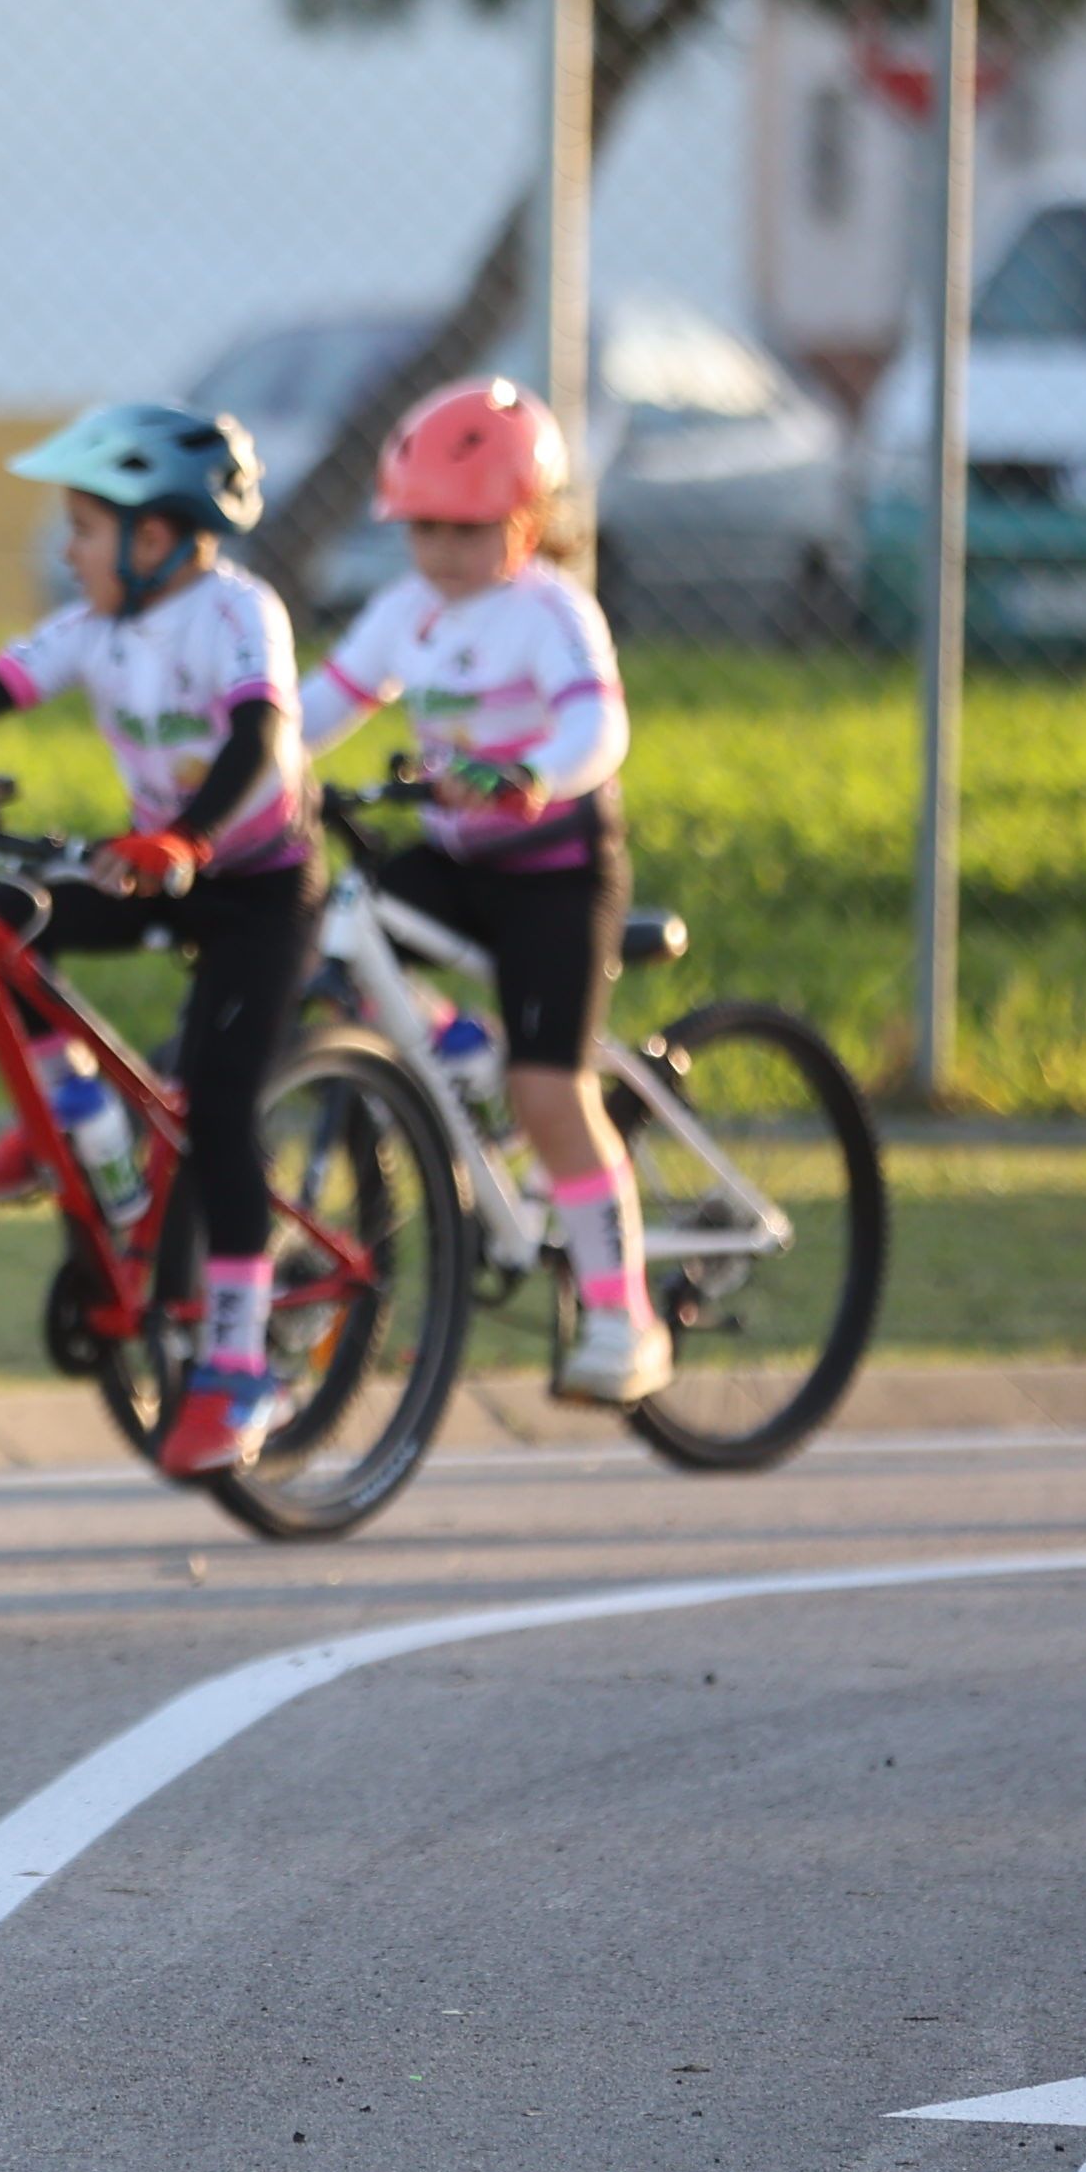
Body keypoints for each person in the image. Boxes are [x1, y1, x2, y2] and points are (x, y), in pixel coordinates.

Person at [298, 378, 657, 1403]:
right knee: (329, 935)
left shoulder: (553, 612)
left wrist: (532, 774)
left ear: (528, 522)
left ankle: (621, 1317)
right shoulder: (406, 611)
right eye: (423, 530)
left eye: (469, 530)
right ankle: (458, 1049)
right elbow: (324, 704)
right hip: (457, 861)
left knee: (552, 1094)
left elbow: (601, 732)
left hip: (556, 872)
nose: (444, 554)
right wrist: (254, 764)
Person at [0, 404, 315, 1479]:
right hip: (156, 861)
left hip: (255, 884)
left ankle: (235, 1362)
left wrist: (188, 836)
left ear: (153, 538)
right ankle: (81, 1124)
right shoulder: (94, 625)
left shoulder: (240, 611)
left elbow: (261, 738)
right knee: (3, 921)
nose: (70, 551)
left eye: (83, 528)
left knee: (220, 1108)